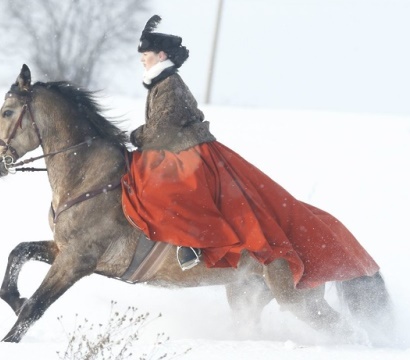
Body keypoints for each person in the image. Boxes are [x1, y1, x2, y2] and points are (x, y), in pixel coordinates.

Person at [121, 15, 379, 288]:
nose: (142, 60)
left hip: (192, 155)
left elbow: (162, 130)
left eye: (146, 55)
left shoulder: (170, 84)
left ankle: (193, 244)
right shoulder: (161, 83)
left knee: (172, 191)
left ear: (160, 55)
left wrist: (134, 136)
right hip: (180, 152)